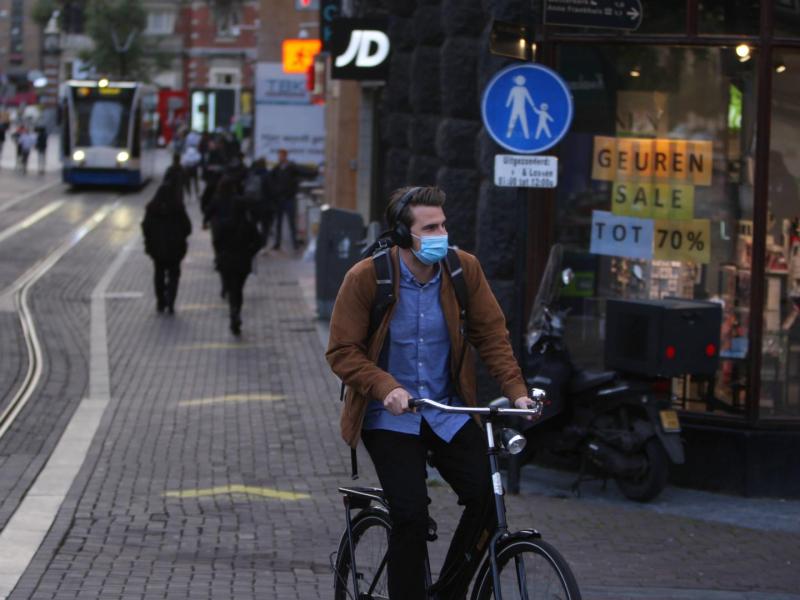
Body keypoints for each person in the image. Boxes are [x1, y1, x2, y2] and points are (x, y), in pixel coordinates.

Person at [326, 186, 534, 600]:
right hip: (390, 418)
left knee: (487, 500)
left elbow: (491, 335)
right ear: (404, 235)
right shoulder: (367, 277)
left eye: (444, 224)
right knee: (411, 517)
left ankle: (449, 592)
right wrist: (386, 387)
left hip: (446, 411)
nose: (442, 233)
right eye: (430, 227)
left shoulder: (463, 271)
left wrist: (517, 393)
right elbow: (341, 352)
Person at [208, 177, 262, 335]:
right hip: (243, 262)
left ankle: (234, 311)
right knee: (238, 289)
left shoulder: (224, 225)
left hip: (227, 261)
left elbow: (217, 241)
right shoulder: (248, 226)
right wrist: (250, 252)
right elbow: (259, 241)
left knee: (232, 289)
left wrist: (220, 253)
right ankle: (236, 311)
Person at [141, 181, 192, 314]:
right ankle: (171, 300)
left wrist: (150, 240)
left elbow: (145, 227)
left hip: (157, 249)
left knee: (159, 273)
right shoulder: (178, 208)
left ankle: (160, 301)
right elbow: (188, 228)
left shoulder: (152, 208)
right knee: (174, 274)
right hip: (175, 249)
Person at [269, 148, 315, 251]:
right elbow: (270, 181)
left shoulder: (291, 167)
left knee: (291, 223)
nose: (280, 157)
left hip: (289, 199)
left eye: (281, 155)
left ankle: (295, 244)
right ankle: (277, 243)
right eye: (279, 155)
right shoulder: (276, 169)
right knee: (279, 223)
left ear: (285, 156)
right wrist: (275, 192)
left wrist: (314, 172)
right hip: (280, 199)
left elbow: (303, 172)